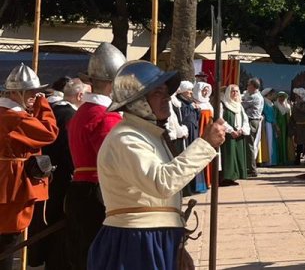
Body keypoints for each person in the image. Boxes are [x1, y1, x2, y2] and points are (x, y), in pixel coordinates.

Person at [88, 61, 227, 270]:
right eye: (156, 93)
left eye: (166, 92)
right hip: (134, 241)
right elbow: (161, 183)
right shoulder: (125, 138)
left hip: (157, 238)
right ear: (138, 102)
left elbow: (163, 204)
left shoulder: (150, 136)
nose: (166, 99)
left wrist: (179, 244)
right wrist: (205, 145)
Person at [66, 41, 125, 270]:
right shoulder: (105, 117)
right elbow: (115, 164)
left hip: (83, 190)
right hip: (99, 194)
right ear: (113, 84)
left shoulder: (83, 111)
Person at [0, 64, 58, 270]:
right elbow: (49, 132)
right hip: (11, 186)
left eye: (36, 92)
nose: (34, 95)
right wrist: (43, 105)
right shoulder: (14, 117)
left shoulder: (7, 113)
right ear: (15, 93)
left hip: (8, 181)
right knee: (8, 240)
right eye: (31, 92)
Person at [29, 76, 81, 270]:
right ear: (79, 95)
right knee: (56, 226)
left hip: (47, 175)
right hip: (61, 177)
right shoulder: (68, 115)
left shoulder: (54, 111)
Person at [220, 85, 252, 185]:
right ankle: (226, 178)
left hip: (239, 134)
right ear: (228, 93)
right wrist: (231, 130)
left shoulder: (239, 106)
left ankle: (234, 176)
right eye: (232, 91)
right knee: (229, 155)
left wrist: (242, 130)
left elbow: (245, 119)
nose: (235, 93)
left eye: (237, 91)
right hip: (229, 134)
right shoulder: (223, 104)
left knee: (237, 155)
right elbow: (220, 119)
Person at [194, 82, 215, 193]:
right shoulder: (195, 103)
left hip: (210, 133)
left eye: (207, 90)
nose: (205, 92)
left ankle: (209, 181)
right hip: (201, 134)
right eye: (203, 90)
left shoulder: (208, 104)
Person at [242, 78, 264, 177]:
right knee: (250, 144)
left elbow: (243, 105)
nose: (247, 87)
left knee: (249, 145)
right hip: (254, 121)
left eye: (248, 85)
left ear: (253, 86)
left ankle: (252, 169)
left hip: (252, 121)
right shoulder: (258, 96)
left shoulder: (255, 97)